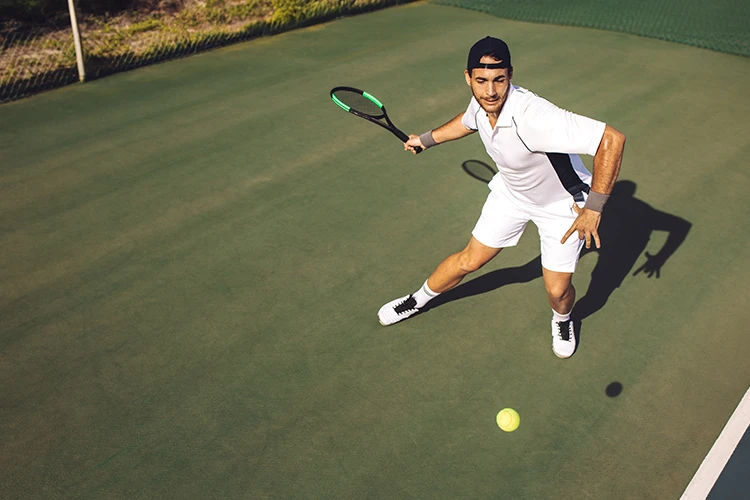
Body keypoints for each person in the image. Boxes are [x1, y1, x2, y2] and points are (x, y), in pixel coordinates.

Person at [377, 36, 626, 359]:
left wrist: (594, 207)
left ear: (510, 75)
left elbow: (612, 139)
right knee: (470, 259)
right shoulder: (482, 103)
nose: (490, 91)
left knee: (557, 290)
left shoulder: (533, 116)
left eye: (499, 80)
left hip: (562, 208)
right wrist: (426, 140)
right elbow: (467, 122)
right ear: (468, 77)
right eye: (481, 81)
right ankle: (417, 299)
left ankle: (562, 319)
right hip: (511, 194)